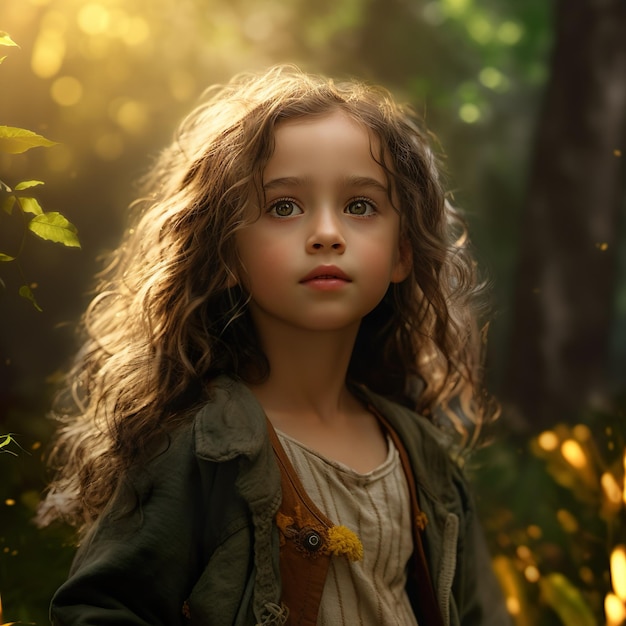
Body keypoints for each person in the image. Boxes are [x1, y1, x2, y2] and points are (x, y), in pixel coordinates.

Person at [39, 65, 512, 626]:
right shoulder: (202, 448)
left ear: (403, 254)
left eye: (361, 206)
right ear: (227, 255)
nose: (327, 233)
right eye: (284, 207)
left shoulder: (421, 456)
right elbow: (99, 609)